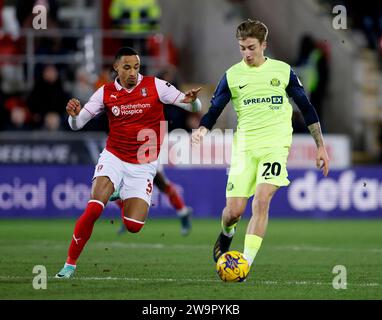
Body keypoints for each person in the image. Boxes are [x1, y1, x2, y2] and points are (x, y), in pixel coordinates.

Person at [191, 19, 329, 274]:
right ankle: (226, 233)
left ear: (264, 45)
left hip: (275, 147)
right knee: (234, 211)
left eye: (251, 48)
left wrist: (320, 146)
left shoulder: (283, 71)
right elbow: (214, 110)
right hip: (244, 149)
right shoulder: (232, 75)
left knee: (261, 201)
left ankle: (244, 264)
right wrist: (201, 129)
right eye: (242, 48)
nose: (247, 54)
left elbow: (306, 108)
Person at [55, 47, 202, 278]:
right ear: (115, 68)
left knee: (133, 226)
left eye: (136, 67)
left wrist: (193, 103)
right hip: (114, 156)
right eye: (127, 67)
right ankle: (69, 264)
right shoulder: (105, 93)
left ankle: (121, 192)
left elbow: (192, 105)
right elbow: (77, 124)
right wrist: (73, 117)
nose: (132, 72)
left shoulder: (155, 86)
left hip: (144, 163)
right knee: (94, 208)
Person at [110, 166, 193, 236]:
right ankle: (126, 217)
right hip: (131, 161)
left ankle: (183, 212)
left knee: (165, 186)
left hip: (149, 160)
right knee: (120, 189)